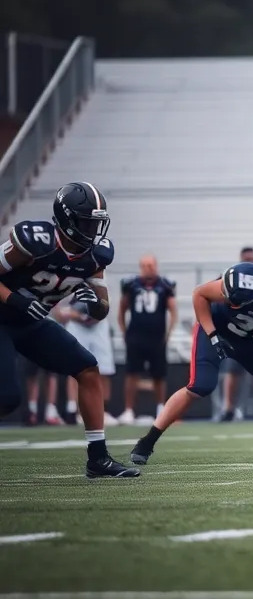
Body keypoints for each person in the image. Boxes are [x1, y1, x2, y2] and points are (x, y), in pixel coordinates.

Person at [130, 239, 253, 464]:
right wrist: (213, 335)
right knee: (200, 386)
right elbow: (200, 295)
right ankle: (147, 442)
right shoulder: (243, 283)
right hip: (219, 329)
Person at [0, 182, 137, 477]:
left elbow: (101, 311)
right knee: (7, 398)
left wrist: (94, 302)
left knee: (87, 368)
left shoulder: (97, 255)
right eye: (87, 221)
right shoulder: (35, 241)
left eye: (96, 222)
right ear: (67, 218)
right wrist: (15, 299)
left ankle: (98, 459)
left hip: (30, 322)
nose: (93, 229)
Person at [117, 255, 176, 424]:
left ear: (156, 266)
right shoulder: (131, 285)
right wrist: (124, 332)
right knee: (131, 373)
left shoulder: (165, 285)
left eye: (150, 265)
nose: (148, 268)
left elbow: (173, 311)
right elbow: (122, 309)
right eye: (144, 265)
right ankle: (129, 410)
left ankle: (160, 408)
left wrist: (168, 333)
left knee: (159, 374)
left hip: (157, 336)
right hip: (136, 335)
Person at [219, 246, 253, 421]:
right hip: (235, 333)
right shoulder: (233, 277)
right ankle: (228, 409)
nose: (250, 262)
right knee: (233, 372)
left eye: (252, 258)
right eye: (246, 259)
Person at [57, 290, 118, 426]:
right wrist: (77, 316)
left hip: (99, 325)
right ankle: (74, 410)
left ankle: (103, 411)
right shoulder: (66, 278)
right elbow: (60, 310)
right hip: (76, 325)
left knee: (104, 368)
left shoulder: (97, 275)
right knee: (75, 370)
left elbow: (106, 301)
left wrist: (95, 316)